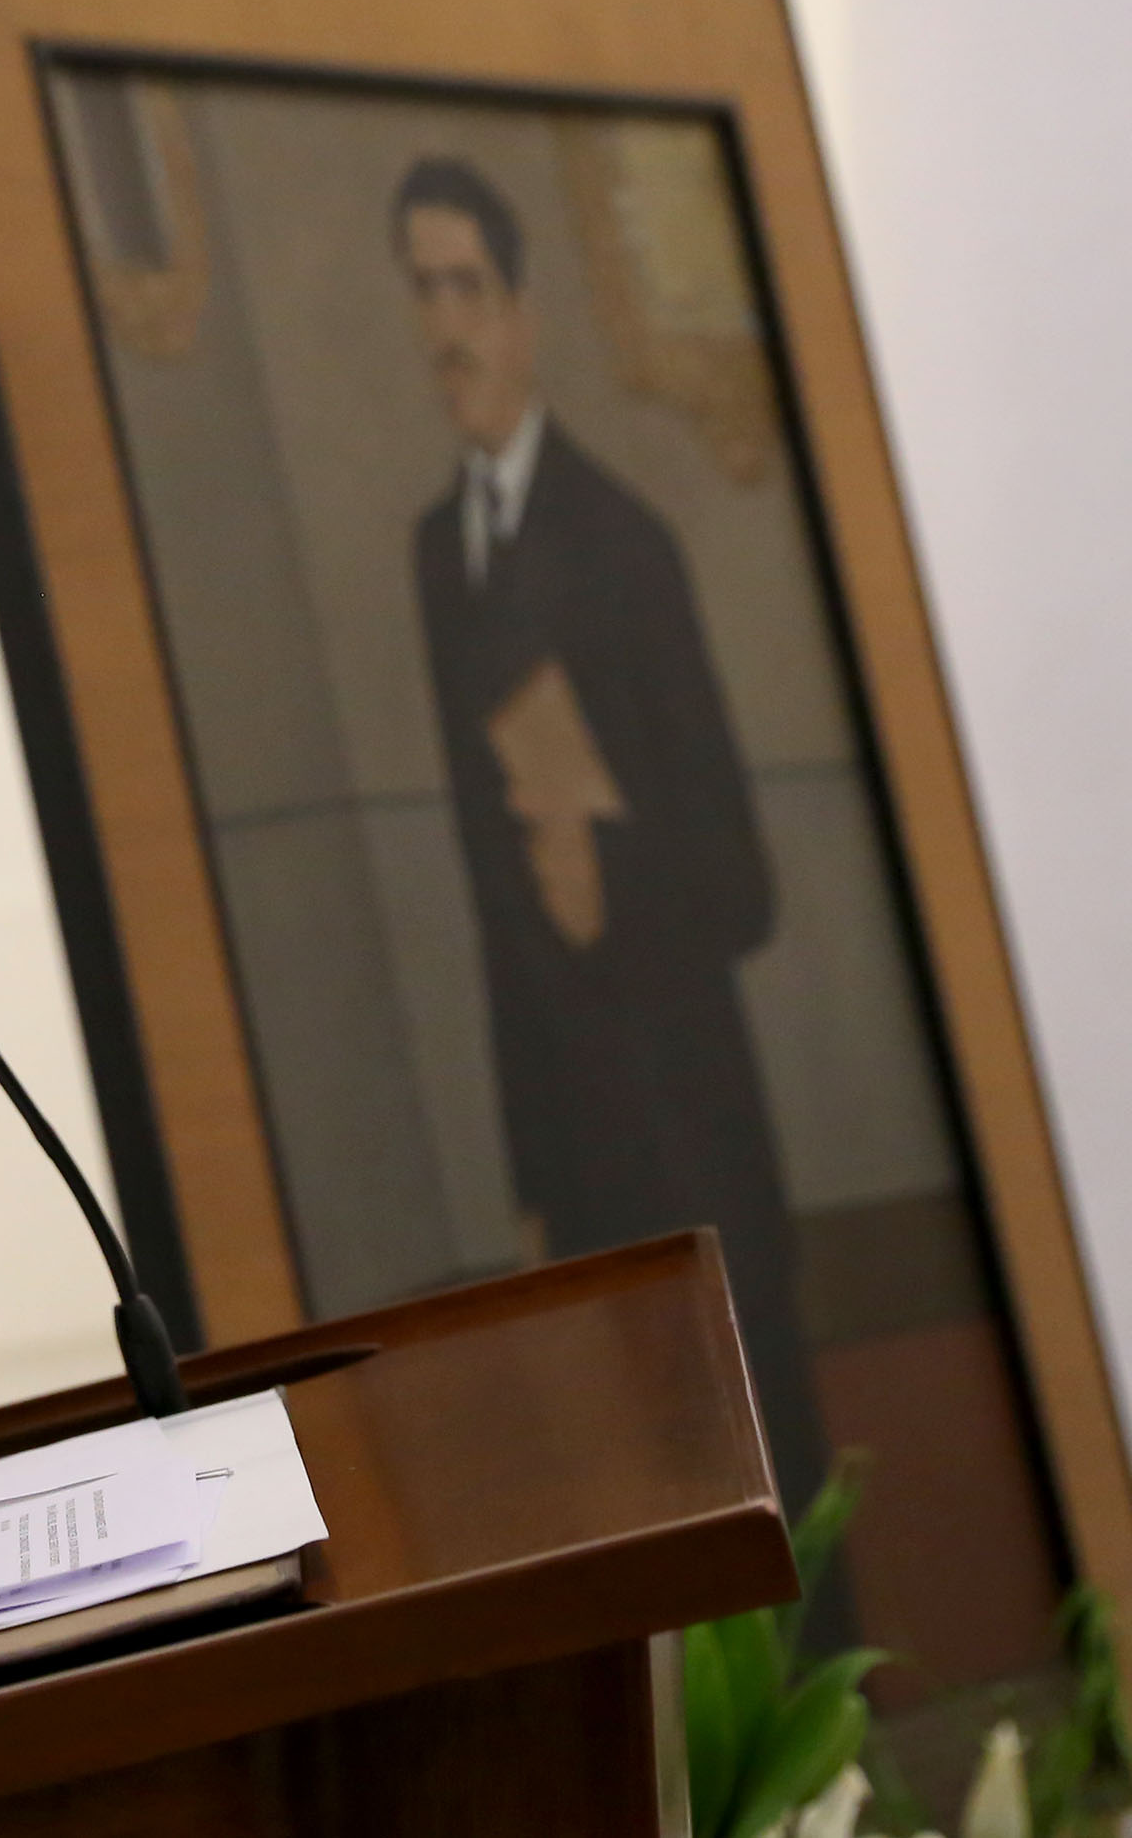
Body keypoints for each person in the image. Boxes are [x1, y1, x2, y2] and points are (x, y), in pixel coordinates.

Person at [392, 154, 831, 1509]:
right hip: (576, 1165)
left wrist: (610, 876)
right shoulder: (438, 557)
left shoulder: (625, 542)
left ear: (523, 312)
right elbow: (490, 902)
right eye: (423, 292)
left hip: (691, 1141)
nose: (447, 326)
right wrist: (530, 1174)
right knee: (640, 1519)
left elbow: (743, 882)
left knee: (776, 1530)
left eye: (468, 288)